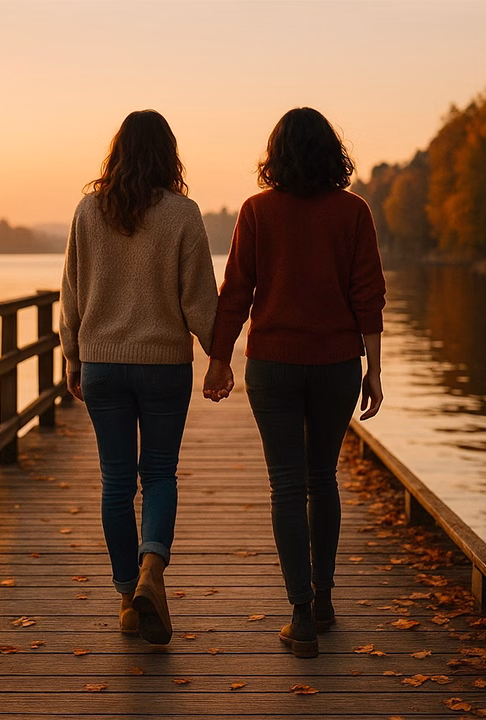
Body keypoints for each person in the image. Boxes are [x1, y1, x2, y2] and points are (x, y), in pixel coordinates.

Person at [202, 107, 386, 658]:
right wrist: (373, 369)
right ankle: (324, 601)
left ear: (274, 155)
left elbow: (236, 291)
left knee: (287, 484)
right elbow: (368, 296)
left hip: (274, 366)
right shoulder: (354, 212)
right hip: (335, 366)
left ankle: (301, 615)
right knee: (321, 479)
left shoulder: (257, 211)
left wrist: (218, 359)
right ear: (334, 153)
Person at [60, 109, 220, 645]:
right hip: (163, 365)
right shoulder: (183, 213)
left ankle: (129, 598)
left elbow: (72, 293)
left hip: (103, 364)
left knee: (114, 481)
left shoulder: (88, 211)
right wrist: (219, 353)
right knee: (159, 474)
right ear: (167, 153)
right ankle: (154, 568)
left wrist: (72, 357)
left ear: (118, 152)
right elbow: (199, 299)